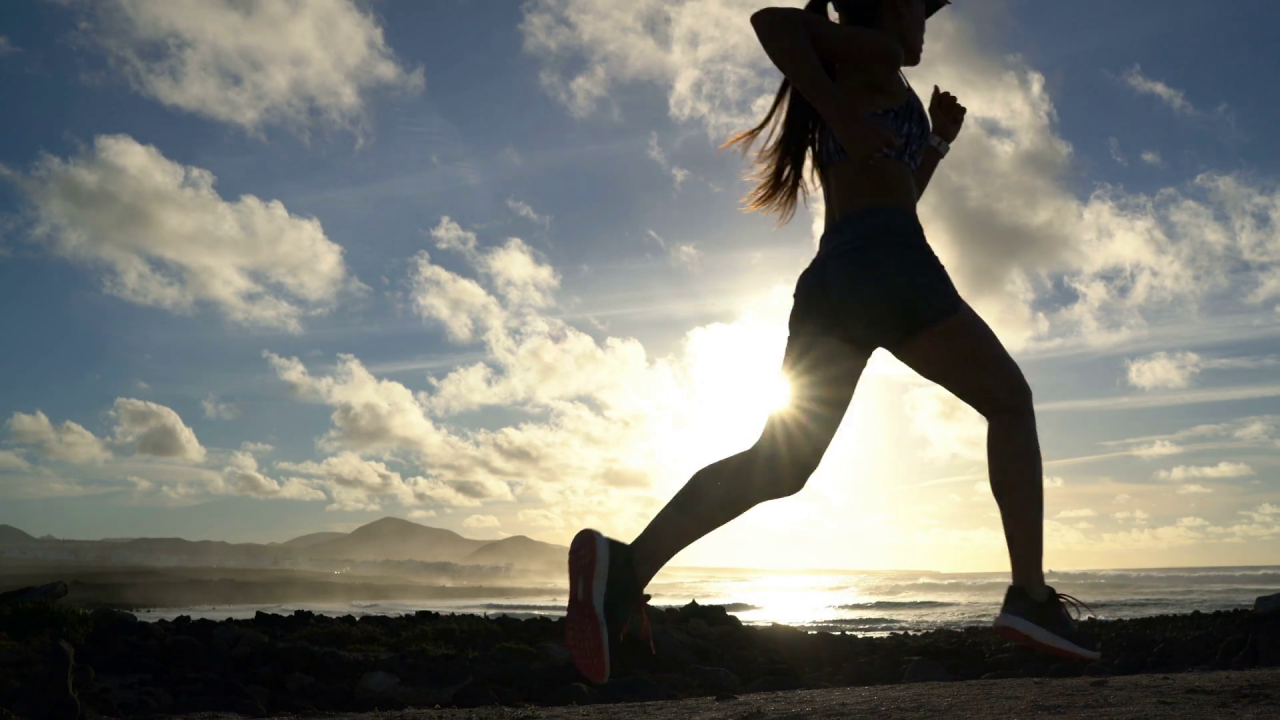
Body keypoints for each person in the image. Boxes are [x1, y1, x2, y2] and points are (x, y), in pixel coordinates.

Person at [564, 0, 1099, 684]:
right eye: (921, 10)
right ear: (891, 4)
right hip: (891, 264)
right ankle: (1029, 599)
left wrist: (934, 141)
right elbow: (771, 24)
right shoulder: (867, 53)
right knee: (1010, 402)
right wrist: (844, 114)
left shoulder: (870, 72)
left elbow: (892, 186)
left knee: (778, 466)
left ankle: (626, 568)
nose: (927, 26)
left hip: (837, 280)